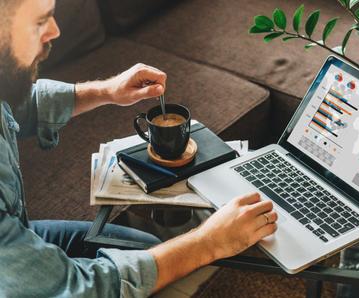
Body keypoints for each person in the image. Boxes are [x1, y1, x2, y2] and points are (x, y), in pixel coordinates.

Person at [0, 0, 278, 297]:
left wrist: (107, 91)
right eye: (40, 22)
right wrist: (210, 243)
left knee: (150, 250)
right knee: (165, 277)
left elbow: (17, 102)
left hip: (20, 229)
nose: (55, 31)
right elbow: (84, 289)